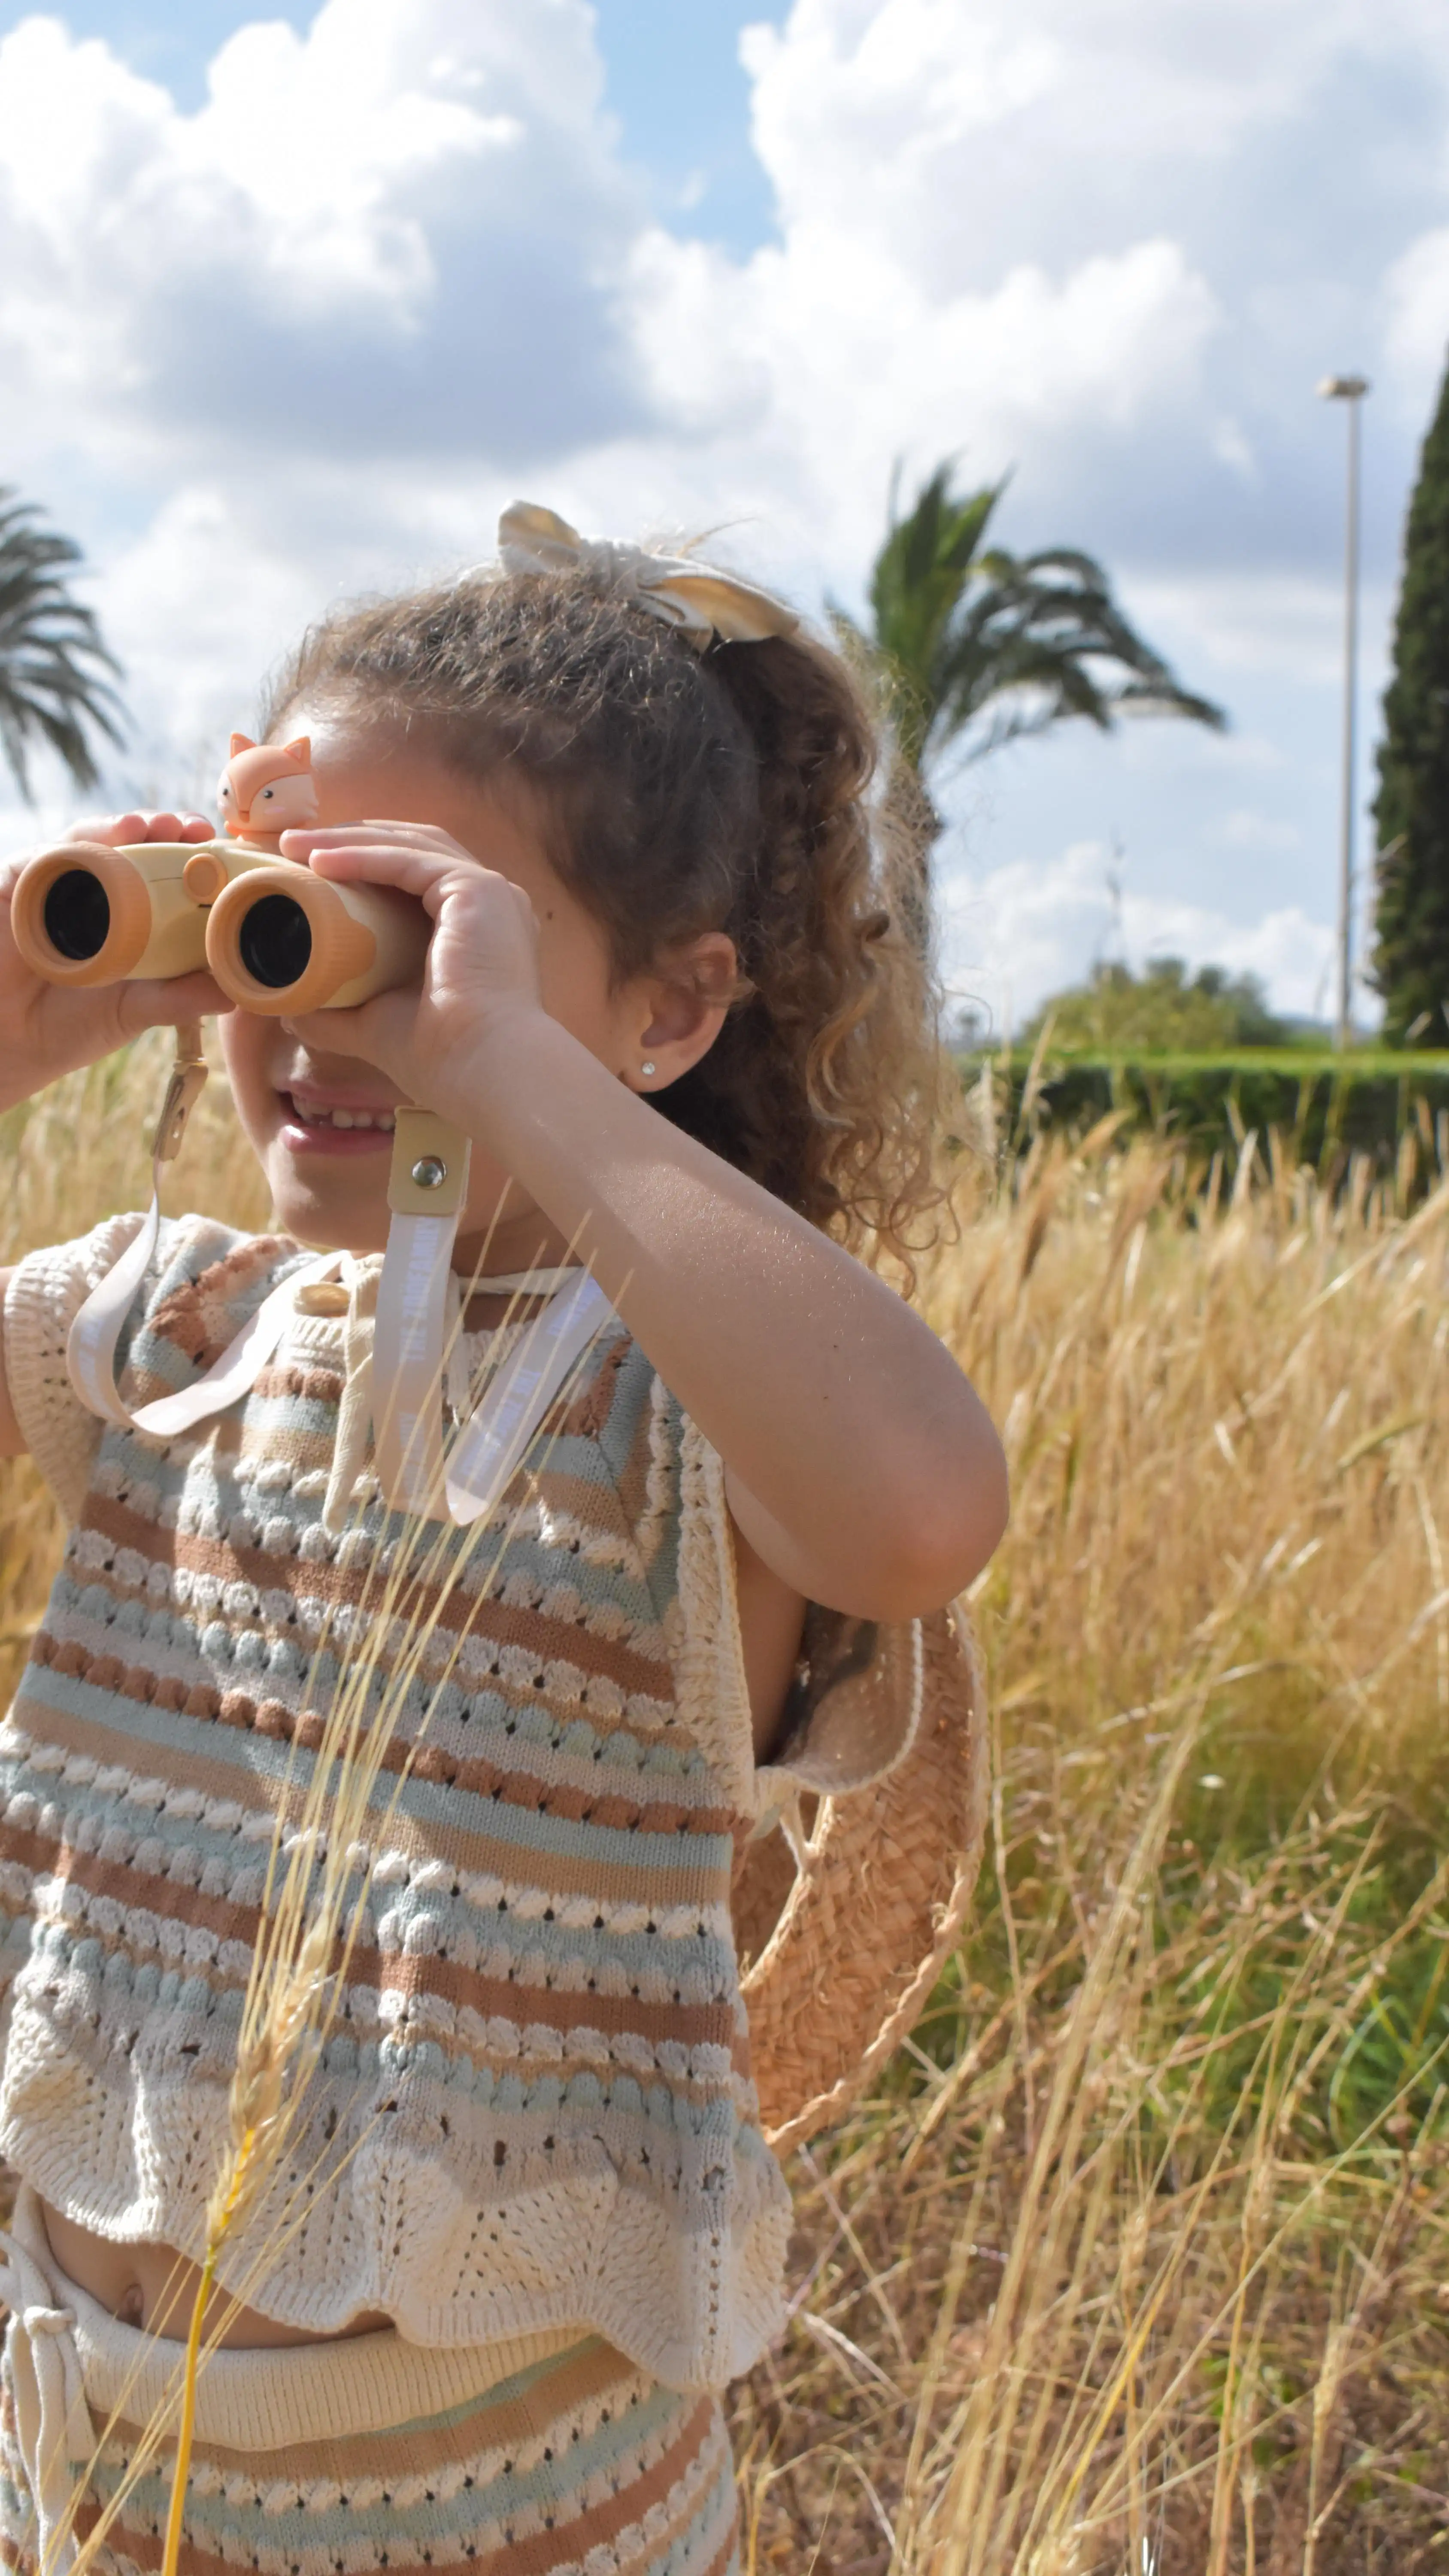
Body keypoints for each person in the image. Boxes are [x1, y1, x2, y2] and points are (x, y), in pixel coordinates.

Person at [0, 510, 1008, 2576]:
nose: (326, 1010)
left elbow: (918, 1509)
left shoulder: (670, 1415)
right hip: (73, 2472)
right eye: (272, 920)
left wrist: (499, 1067)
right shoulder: (169, 1332)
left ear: (668, 1012)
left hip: (503, 2517)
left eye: (400, 932)